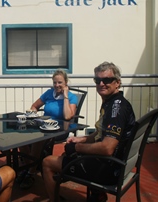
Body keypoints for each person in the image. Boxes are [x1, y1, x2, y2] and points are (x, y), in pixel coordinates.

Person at [42, 61, 136, 202]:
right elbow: (101, 134)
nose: (101, 84)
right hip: (118, 164)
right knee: (66, 154)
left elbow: (107, 148)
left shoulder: (116, 110)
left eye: (107, 80)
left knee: (47, 162)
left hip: (109, 170)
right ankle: (98, 195)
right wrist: (81, 139)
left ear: (117, 83)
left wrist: (77, 147)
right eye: (97, 80)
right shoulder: (114, 102)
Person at [17, 69, 78, 189]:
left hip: (60, 129)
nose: (57, 85)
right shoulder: (49, 93)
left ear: (66, 83)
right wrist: (33, 115)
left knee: (38, 139)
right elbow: (34, 106)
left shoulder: (71, 97)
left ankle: (30, 172)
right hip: (43, 125)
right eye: (55, 82)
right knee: (21, 134)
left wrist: (65, 96)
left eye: (60, 82)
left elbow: (68, 116)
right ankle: (30, 166)